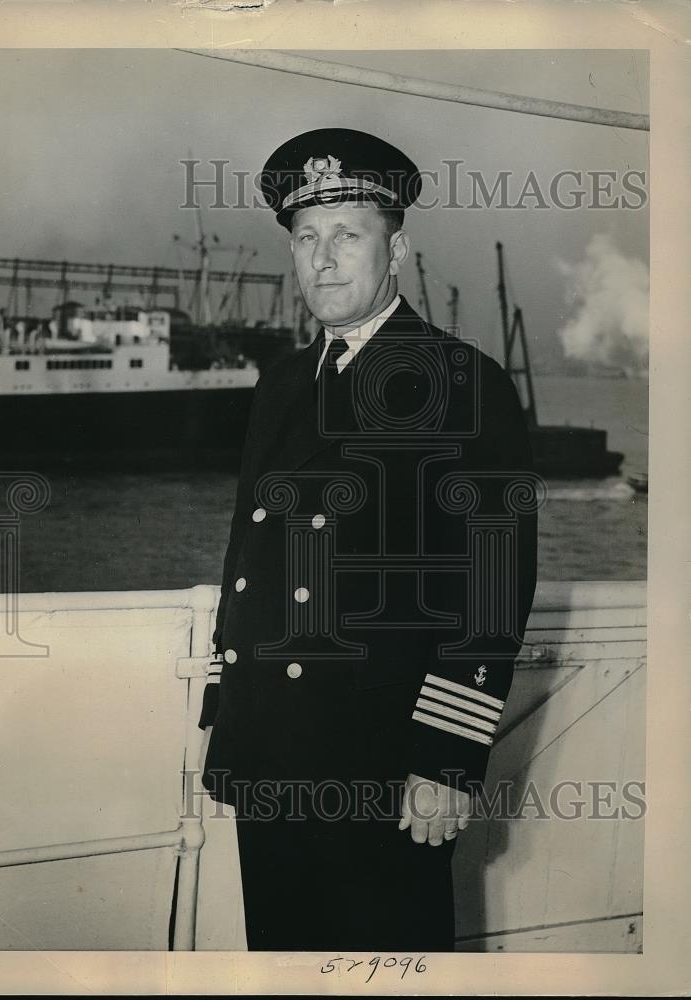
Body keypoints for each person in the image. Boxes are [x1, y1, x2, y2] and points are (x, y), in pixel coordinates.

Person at [197, 128, 539, 952]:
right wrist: (225, 717)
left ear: (398, 248)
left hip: (385, 764)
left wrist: (448, 758)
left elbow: (492, 587)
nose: (323, 259)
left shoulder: (463, 383)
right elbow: (248, 556)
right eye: (306, 238)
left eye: (348, 234)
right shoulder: (281, 385)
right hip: (272, 753)